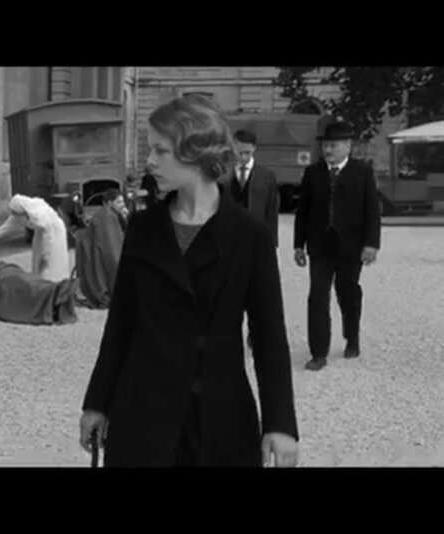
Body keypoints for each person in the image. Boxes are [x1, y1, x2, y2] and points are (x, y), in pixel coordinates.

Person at [79, 95, 299, 467]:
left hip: (219, 417)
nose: (149, 161)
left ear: (196, 153)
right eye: (150, 149)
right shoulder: (143, 229)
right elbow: (121, 323)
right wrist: (97, 402)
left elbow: (268, 336)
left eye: (160, 150)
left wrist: (280, 424)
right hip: (142, 414)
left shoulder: (250, 236)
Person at [294, 121, 381, 371]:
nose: (328, 150)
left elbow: (372, 210)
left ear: (347, 146)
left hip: (350, 247)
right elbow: (303, 211)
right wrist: (298, 245)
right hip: (320, 246)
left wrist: (371, 244)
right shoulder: (313, 172)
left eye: (333, 146)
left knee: (348, 293)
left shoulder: (362, 172)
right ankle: (318, 352)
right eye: (325, 145)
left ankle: (352, 337)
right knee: (317, 298)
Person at [0, 221, 76, 325]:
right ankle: (53, 293)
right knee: (21, 283)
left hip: (0, 271)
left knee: (25, 278)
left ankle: (53, 291)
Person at [0, 194, 70, 282]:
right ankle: (40, 279)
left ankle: (53, 280)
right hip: (40, 233)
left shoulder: (38, 214)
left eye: (16, 214)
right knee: (37, 261)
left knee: (51, 260)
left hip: (54, 232)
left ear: (23, 212)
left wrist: (46, 256)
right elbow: (8, 226)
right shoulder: (19, 212)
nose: (15, 216)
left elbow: (48, 233)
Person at [227, 129, 280, 247]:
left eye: (247, 153)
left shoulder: (267, 177)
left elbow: (272, 213)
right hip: (228, 237)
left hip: (255, 238)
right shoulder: (224, 175)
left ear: (254, 148)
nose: (243, 157)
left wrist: (272, 243)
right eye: (239, 153)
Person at [75, 189, 125, 309]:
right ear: (109, 203)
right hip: (96, 256)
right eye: (118, 202)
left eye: (123, 202)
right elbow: (110, 249)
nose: (122, 205)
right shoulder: (106, 217)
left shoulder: (111, 215)